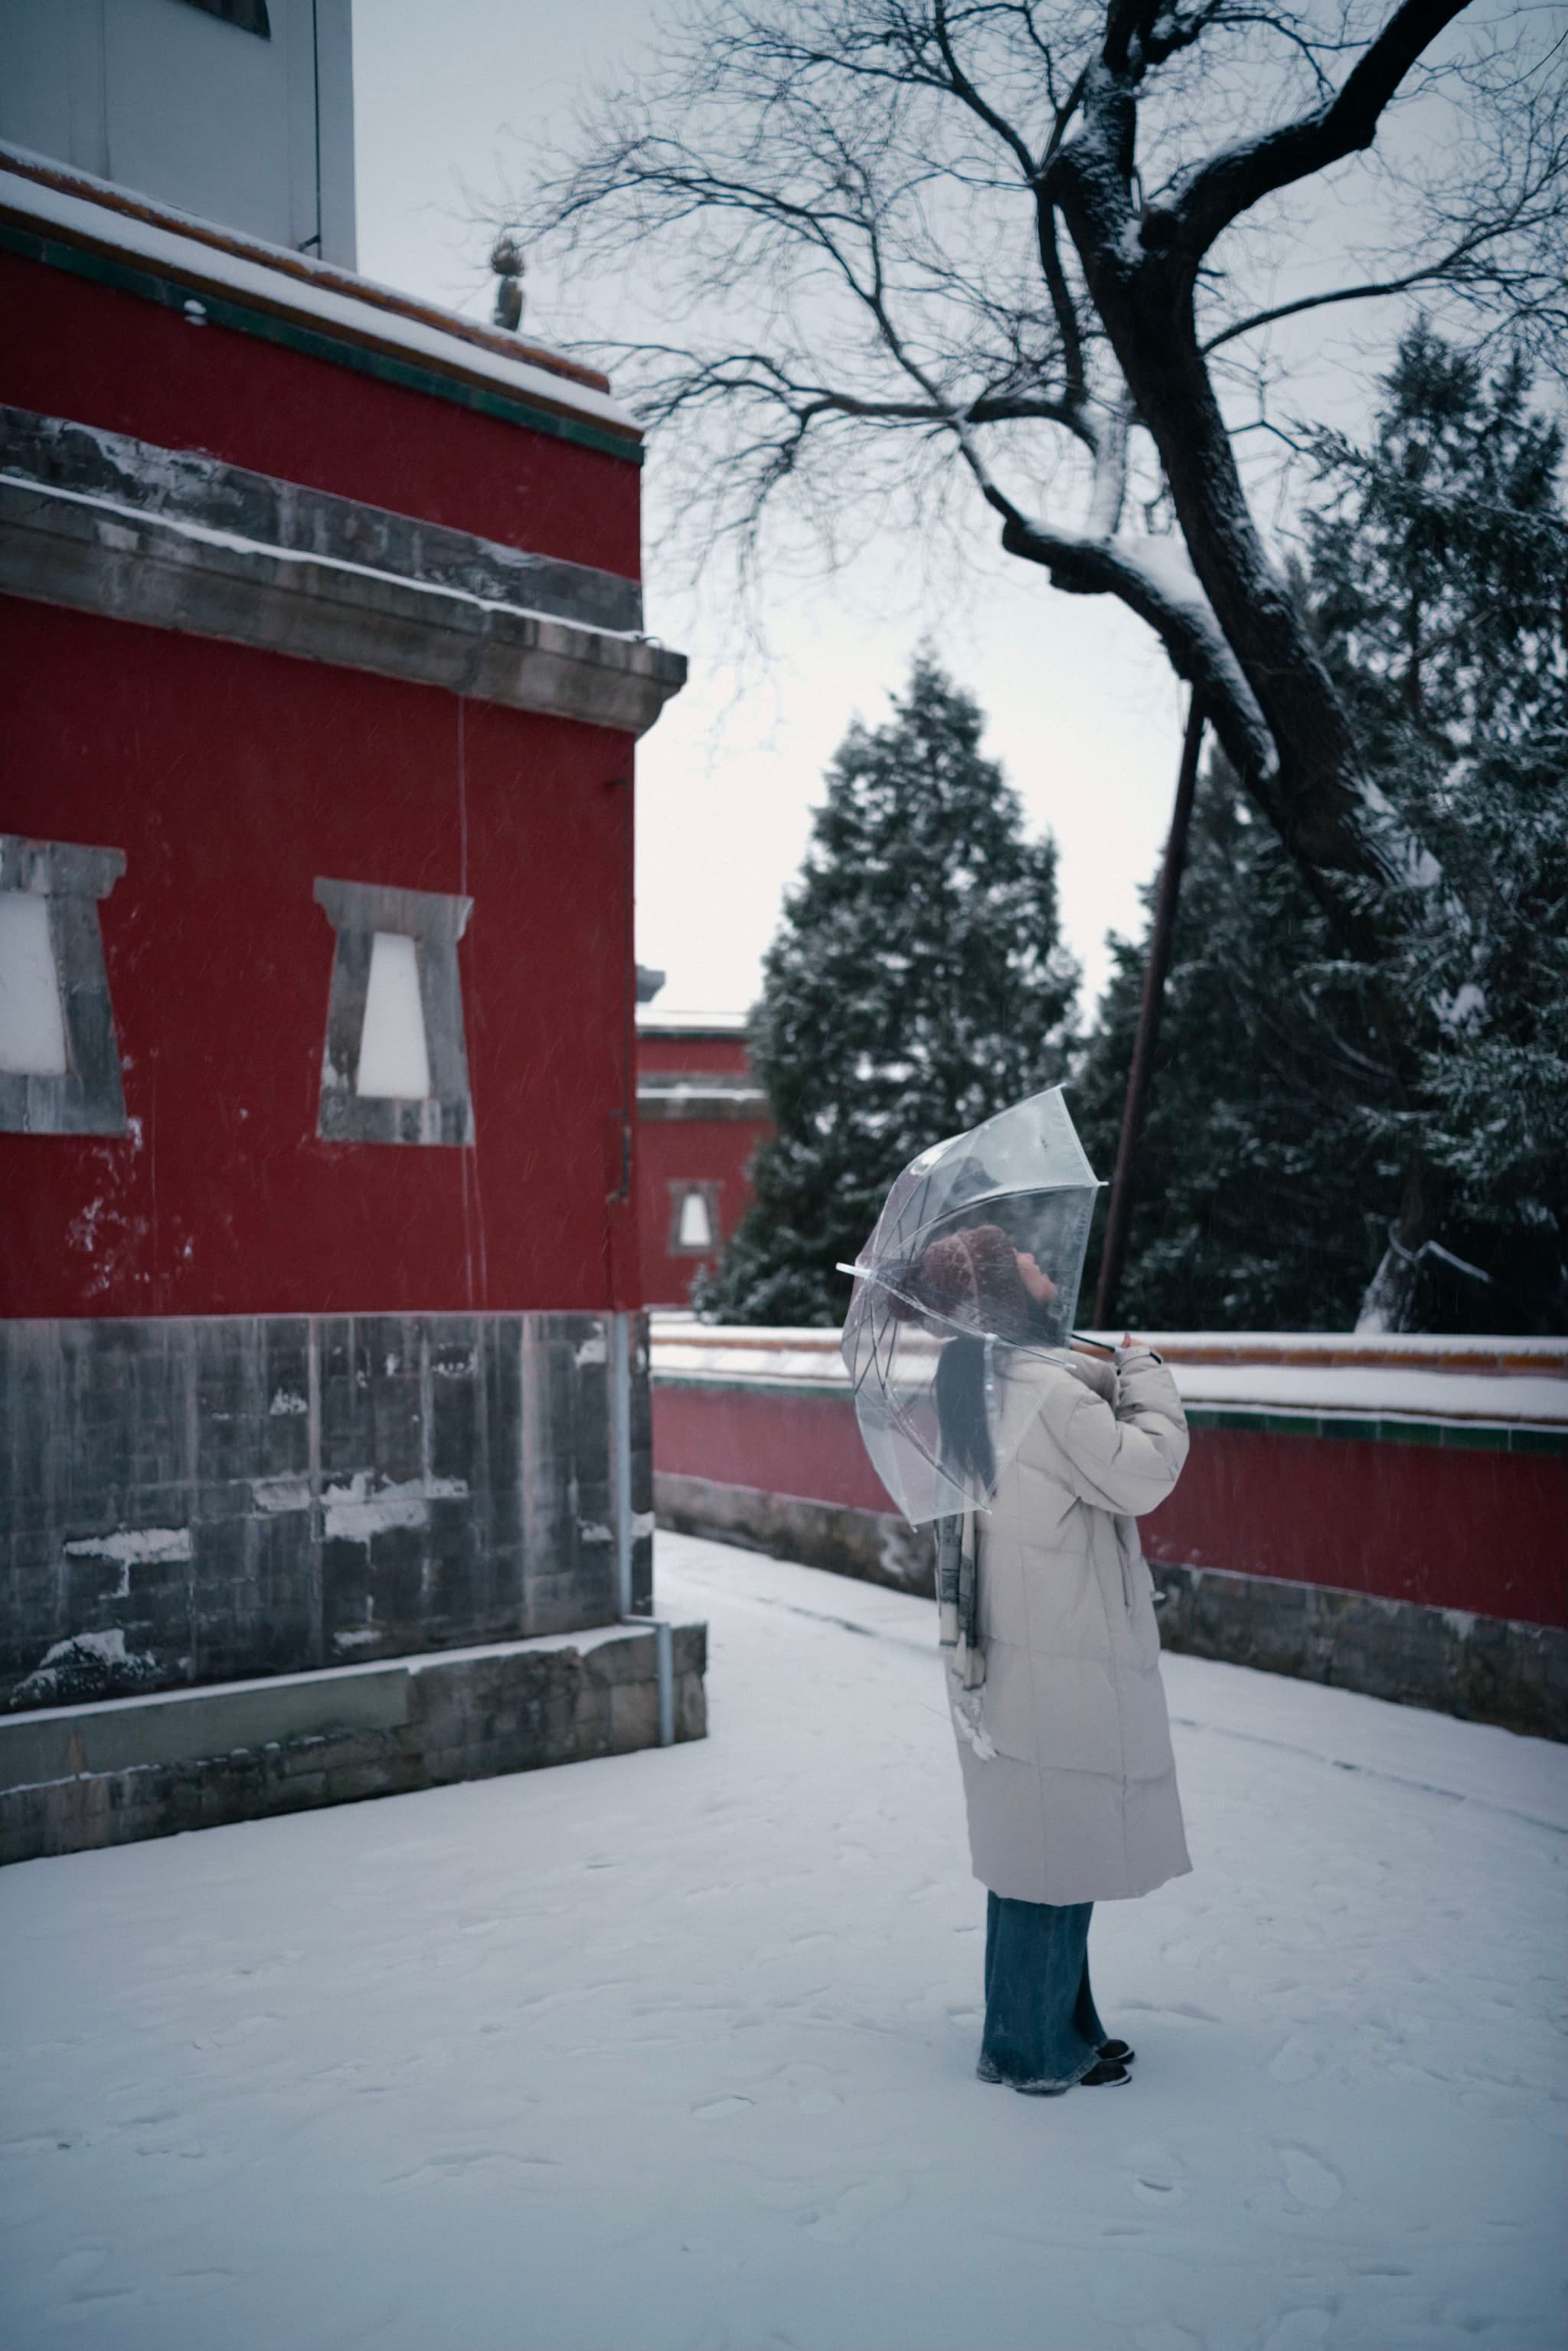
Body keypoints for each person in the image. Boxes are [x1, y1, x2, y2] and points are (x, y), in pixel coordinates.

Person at [916, 1221, 1191, 2095]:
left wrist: (1097, 1376)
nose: (1046, 1271)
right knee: (1051, 1855)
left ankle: (1054, 2027)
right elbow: (1141, 1471)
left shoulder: (976, 1380)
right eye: (1030, 1264)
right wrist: (1145, 1376)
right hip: (1061, 1651)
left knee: (1036, 1850)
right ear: (1005, 1293)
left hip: (1017, 1644)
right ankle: (1029, 2048)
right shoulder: (1037, 1388)